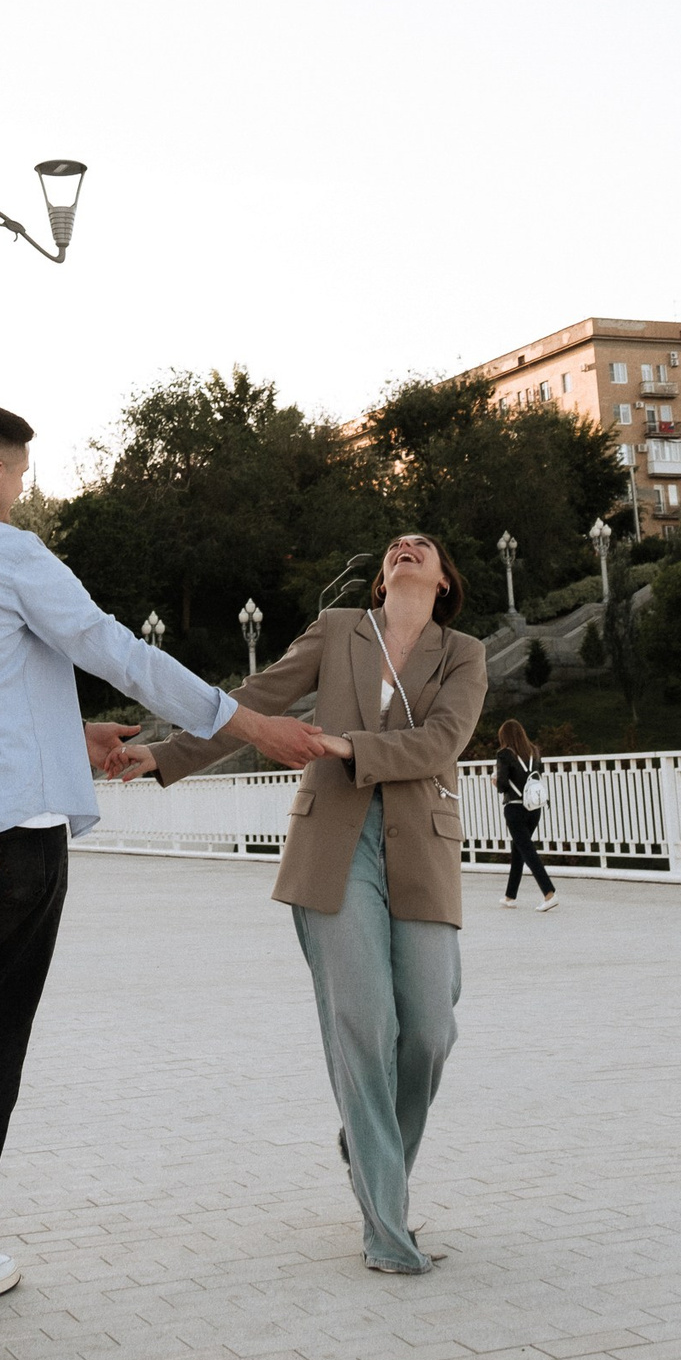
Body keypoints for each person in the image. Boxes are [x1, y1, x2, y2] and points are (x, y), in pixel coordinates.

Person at [0, 399, 342, 1340]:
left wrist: (66, 731)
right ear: (0, 473)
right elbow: (119, 651)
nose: (19, 496)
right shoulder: (11, 553)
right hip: (8, 840)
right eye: (21, 480)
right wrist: (248, 724)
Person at [129, 534, 486, 1277]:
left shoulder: (463, 654)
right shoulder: (337, 631)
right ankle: (387, 1225)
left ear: (443, 581)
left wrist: (347, 747)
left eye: (422, 545)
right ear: (381, 579)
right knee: (364, 1023)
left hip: (421, 850)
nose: (406, 547)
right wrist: (164, 755)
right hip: (333, 848)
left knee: (428, 1031)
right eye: (396, 545)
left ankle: (366, 1142)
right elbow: (254, 704)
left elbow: (442, 742)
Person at [495, 719, 558, 910]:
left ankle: (549, 893)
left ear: (504, 737)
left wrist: (495, 782)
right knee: (519, 850)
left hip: (515, 809)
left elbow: (502, 785)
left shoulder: (504, 754)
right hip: (534, 808)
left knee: (527, 851)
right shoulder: (534, 752)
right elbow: (538, 775)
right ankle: (510, 896)